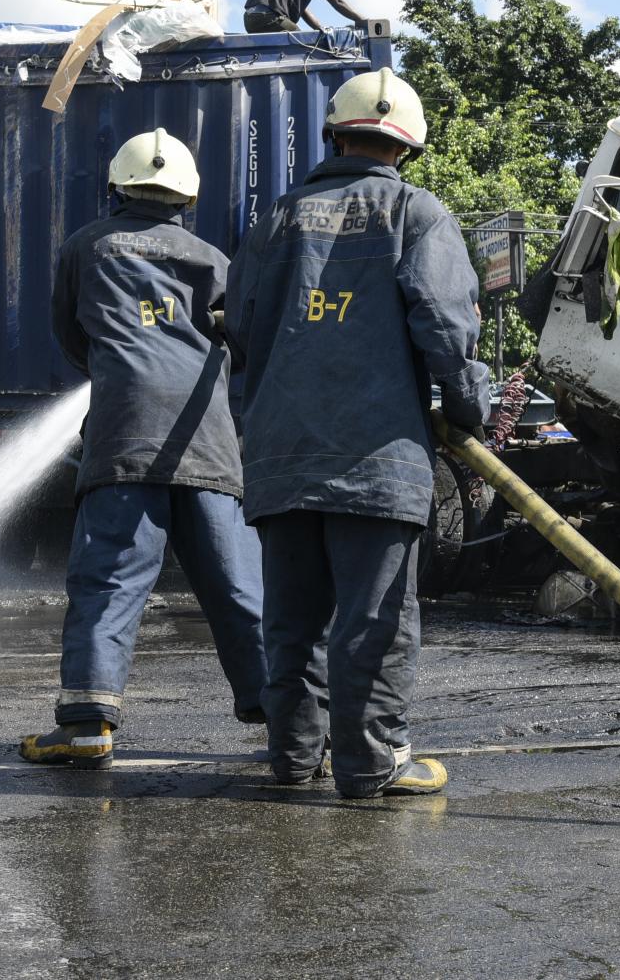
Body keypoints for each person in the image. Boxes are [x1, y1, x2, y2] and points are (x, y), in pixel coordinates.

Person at [225, 68, 490, 799]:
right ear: (407, 146)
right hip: (378, 458)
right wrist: (469, 409)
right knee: (372, 621)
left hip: (281, 455)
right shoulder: (416, 213)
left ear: (333, 134)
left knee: (293, 619)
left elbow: (240, 329)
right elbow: (444, 324)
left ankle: (292, 757)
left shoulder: (276, 218)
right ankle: (372, 763)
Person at [19, 130, 267, 767]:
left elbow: (71, 335)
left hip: (124, 434)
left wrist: (120, 367)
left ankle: (85, 727)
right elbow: (241, 342)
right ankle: (291, 721)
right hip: (206, 440)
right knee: (239, 586)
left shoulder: (86, 248)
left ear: (117, 187)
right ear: (186, 196)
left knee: (109, 579)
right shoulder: (212, 258)